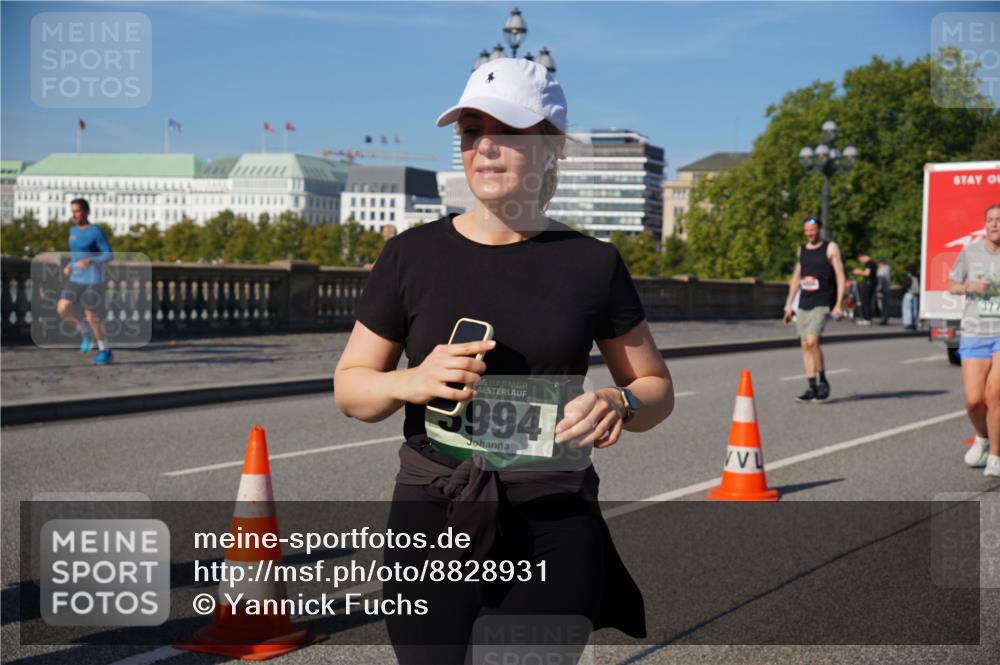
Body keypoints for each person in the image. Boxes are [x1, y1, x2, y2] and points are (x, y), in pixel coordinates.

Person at [333, 58, 675, 663]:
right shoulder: (409, 256)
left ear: (552, 146)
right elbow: (351, 389)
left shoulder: (592, 263)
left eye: (507, 132)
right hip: (432, 513)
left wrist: (617, 402)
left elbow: (655, 388)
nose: (484, 148)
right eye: (471, 132)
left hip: (551, 518)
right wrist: (412, 380)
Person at [950, 203, 1000, 477]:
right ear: (985, 225)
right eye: (990, 220)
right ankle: (983, 438)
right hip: (975, 332)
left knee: (995, 394)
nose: (994, 224)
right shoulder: (970, 252)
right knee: (973, 400)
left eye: (999, 220)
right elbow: (953, 285)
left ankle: (995, 457)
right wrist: (971, 286)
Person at [782, 217, 845, 402]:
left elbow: (840, 276)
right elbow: (796, 278)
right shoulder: (801, 250)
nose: (809, 233)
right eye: (807, 230)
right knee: (804, 345)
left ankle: (823, 380)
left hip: (823, 301)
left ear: (820, 229)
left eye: (813, 229)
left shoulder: (830, 248)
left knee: (812, 340)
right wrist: (788, 305)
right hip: (804, 303)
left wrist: (838, 303)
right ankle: (811, 387)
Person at [56, 198, 113, 365]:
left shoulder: (96, 231)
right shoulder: (72, 230)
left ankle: (105, 350)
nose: (74, 215)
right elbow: (77, 255)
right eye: (72, 211)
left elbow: (108, 255)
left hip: (93, 279)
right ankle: (84, 331)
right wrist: (70, 264)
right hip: (76, 277)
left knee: (90, 314)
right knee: (62, 308)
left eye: (77, 211)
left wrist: (90, 260)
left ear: (86, 212)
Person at [852, 253, 877, 325]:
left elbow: (867, 273)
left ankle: (867, 319)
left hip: (869, 284)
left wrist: (858, 272)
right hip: (871, 283)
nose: (861, 262)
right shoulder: (872, 263)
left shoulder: (869, 263)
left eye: (860, 260)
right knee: (867, 301)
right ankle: (868, 318)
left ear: (862, 257)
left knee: (865, 300)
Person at [902, 262, 920, 330]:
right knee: (915, 310)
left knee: (907, 309)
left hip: (908, 294)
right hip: (916, 295)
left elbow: (904, 287)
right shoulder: (917, 277)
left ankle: (908, 323)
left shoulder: (908, 277)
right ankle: (914, 323)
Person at [876, 258, 892, 325]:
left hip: (882, 290)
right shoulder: (887, 269)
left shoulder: (881, 270)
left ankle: (884, 319)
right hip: (887, 289)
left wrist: (878, 289)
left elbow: (880, 280)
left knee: (882, 306)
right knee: (886, 306)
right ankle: (885, 319)